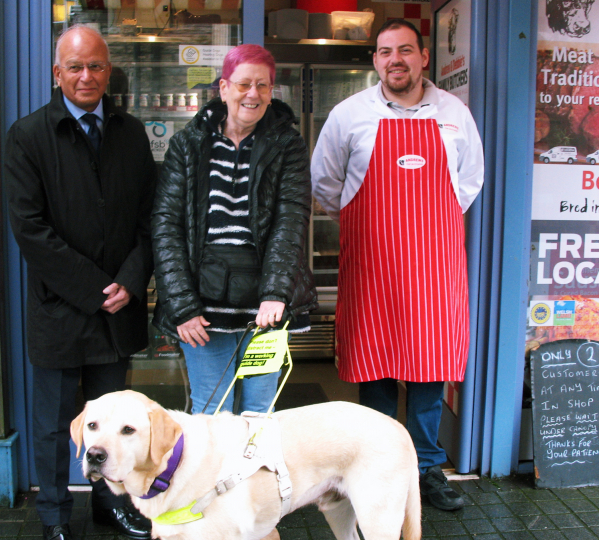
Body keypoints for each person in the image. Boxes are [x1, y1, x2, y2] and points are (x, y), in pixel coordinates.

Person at [311, 19, 485, 512]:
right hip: (372, 264)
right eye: (386, 52)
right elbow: (324, 182)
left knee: (431, 369)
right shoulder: (349, 115)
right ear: (375, 61)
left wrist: (432, 221)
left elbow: (469, 181)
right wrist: (362, 219)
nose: (396, 60)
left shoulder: (455, 114)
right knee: (377, 368)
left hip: (435, 262)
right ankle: (376, 469)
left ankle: (427, 467)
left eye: (405, 50)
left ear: (423, 57)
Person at [4, 25, 156, 540]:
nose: (86, 76)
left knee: (115, 428)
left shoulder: (131, 132)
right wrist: (95, 289)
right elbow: (30, 230)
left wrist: (131, 280)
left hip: (118, 309)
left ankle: (111, 506)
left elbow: (148, 217)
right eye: (75, 67)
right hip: (60, 311)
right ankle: (53, 517)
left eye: (95, 66)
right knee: (52, 429)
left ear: (107, 71)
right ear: (57, 73)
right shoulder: (27, 136)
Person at [152, 44, 317, 415]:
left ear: (271, 91)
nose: (253, 94)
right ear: (223, 88)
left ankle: (256, 476)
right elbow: (166, 226)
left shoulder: (288, 145)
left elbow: (291, 220)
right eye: (244, 84)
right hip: (203, 308)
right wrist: (181, 306)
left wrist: (276, 293)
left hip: (266, 307)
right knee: (211, 415)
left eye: (262, 85)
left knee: (259, 414)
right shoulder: (187, 144)